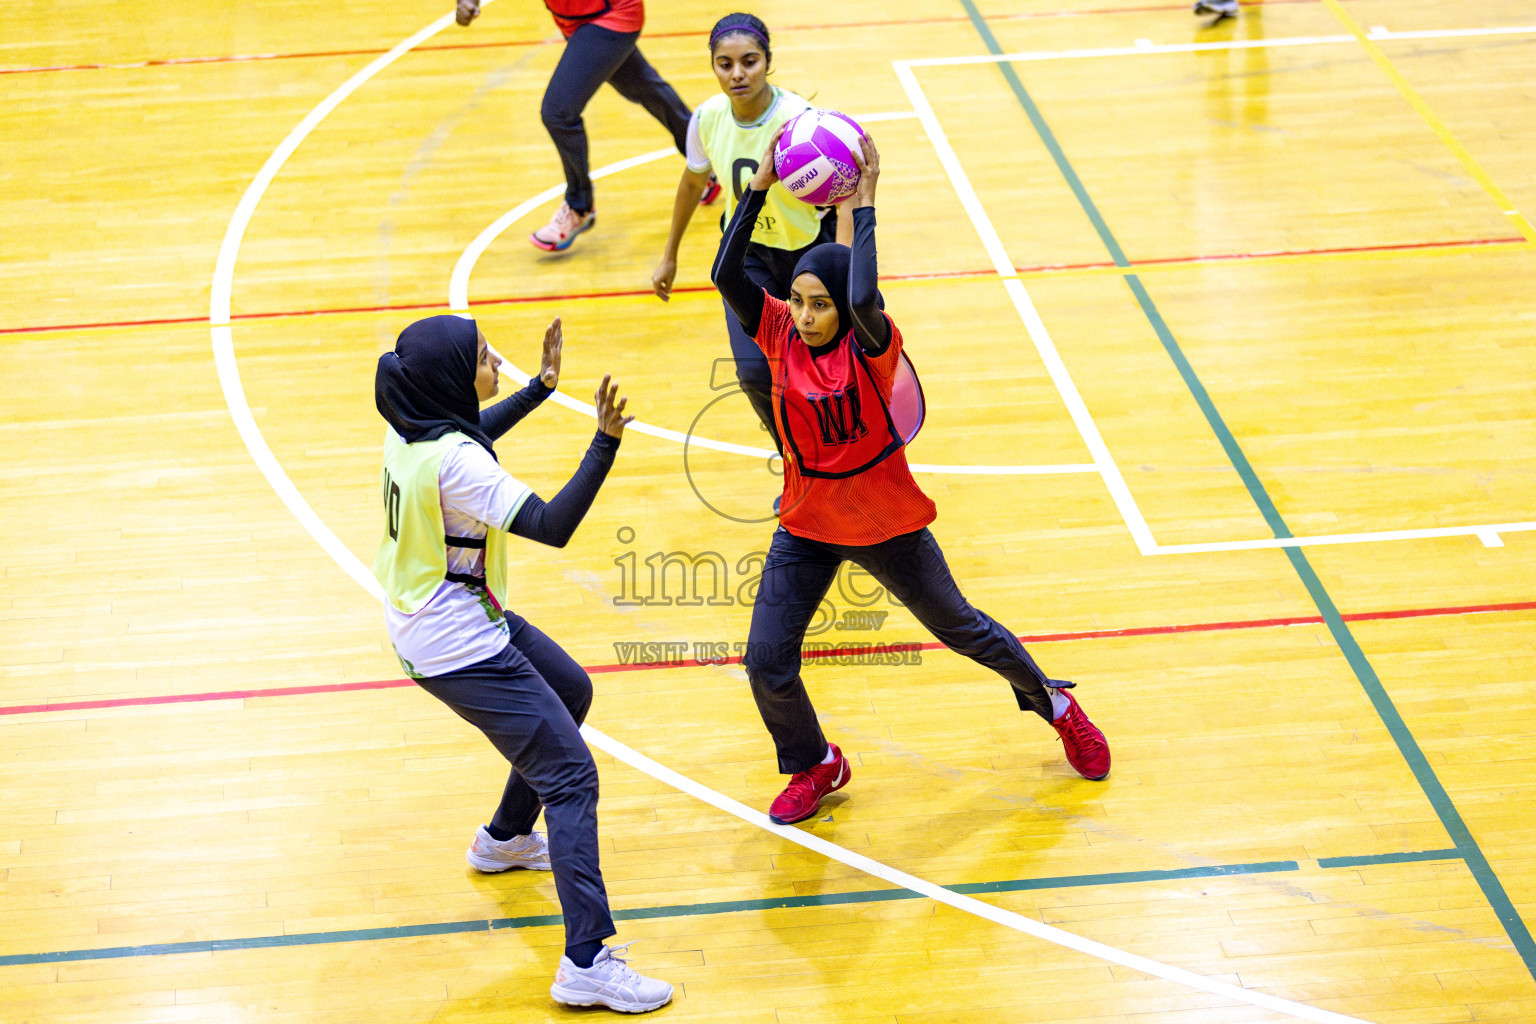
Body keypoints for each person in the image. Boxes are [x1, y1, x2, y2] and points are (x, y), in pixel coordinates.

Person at [711, 133, 1112, 826]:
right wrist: (756, 189)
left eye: (819, 305)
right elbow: (726, 274)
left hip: (885, 524)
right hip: (806, 527)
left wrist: (866, 202)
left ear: (845, 309)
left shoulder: (873, 347)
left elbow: (864, 291)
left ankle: (1053, 702)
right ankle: (816, 764)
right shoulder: (777, 333)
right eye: (798, 302)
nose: (804, 316)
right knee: (765, 660)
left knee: (964, 629)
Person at [373, 314, 671, 1013]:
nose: (495, 363)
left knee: (569, 690)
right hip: (457, 642)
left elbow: (470, 434)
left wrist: (539, 389)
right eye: (484, 358)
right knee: (572, 777)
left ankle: (504, 839)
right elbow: (553, 525)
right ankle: (587, 961)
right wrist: (603, 443)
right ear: (453, 378)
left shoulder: (409, 426)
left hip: (441, 614)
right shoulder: (458, 465)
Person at [652, 12, 849, 460]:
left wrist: (845, 257)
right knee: (756, 371)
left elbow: (843, 191)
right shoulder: (705, 118)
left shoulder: (799, 118)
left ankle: (840, 455)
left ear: (767, 61)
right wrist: (670, 255)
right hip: (746, 257)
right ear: (713, 65)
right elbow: (691, 184)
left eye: (749, 61)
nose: (737, 74)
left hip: (807, 254)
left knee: (830, 366)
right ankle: (796, 459)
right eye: (725, 64)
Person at [455, 0, 719, 252]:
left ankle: (579, 206)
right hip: (578, 21)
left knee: (558, 112)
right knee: (644, 87)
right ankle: (705, 163)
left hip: (611, 16)